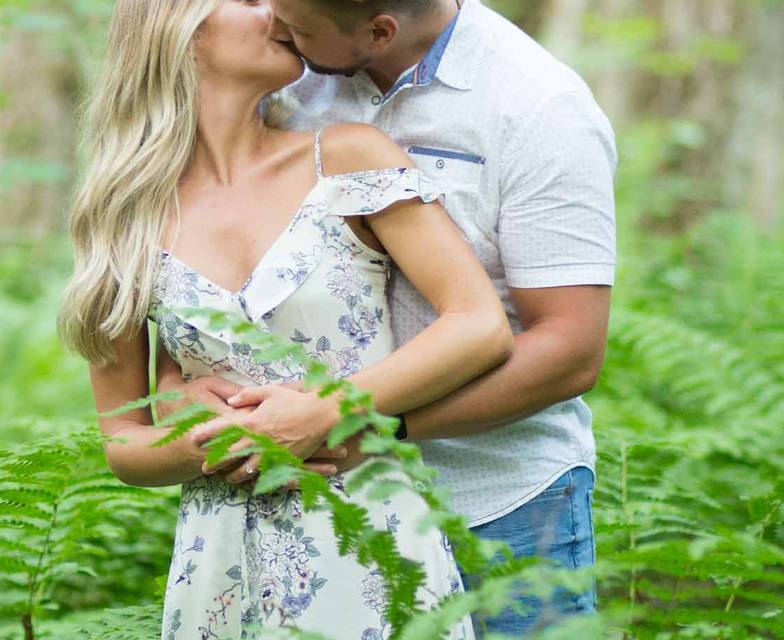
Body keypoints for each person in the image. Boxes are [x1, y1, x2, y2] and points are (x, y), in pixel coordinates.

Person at [57, 1, 515, 637]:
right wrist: (209, 440)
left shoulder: (349, 157)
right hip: (219, 566)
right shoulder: (124, 217)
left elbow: (478, 324)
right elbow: (125, 444)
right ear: (178, 29)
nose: (278, 9)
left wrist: (327, 409)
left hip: (372, 540)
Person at [168, 0, 618, 636]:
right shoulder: (287, 80)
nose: (272, 20)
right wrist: (179, 389)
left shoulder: (536, 107)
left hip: (499, 504)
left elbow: (570, 350)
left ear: (379, 31)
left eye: (295, 29)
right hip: (323, 517)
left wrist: (366, 421)